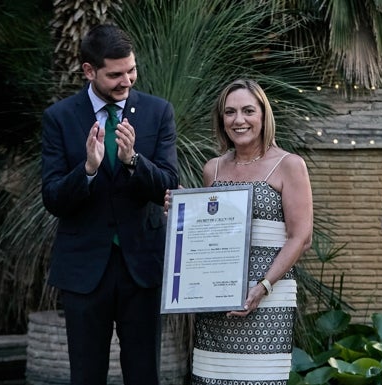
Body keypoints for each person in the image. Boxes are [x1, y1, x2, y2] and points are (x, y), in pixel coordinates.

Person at [41, 24, 178, 385]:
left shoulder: (157, 112)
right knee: (86, 375)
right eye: (115, 74)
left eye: (131, 70)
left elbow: (168, 183)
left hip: (143, 267)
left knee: (144, 374)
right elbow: (53, 198)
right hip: (84, 270)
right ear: (89, 71)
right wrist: (86, 169)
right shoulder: (60, 118)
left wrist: (134, 160)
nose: (127, 80)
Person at [170, 79, 313, 385]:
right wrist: (184, 208)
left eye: (248, 110)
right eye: (230, 112)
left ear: (264, 115)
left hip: (268, 296)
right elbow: (212, 233)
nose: (239, 120)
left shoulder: (289, 165)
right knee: (210, 378)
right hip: (217, 299)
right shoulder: (214, 169)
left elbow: (301, 237)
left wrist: (261, 287)